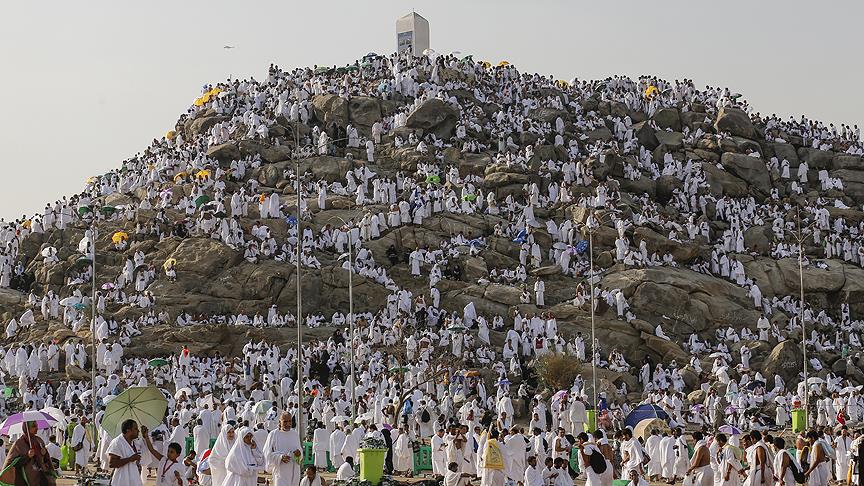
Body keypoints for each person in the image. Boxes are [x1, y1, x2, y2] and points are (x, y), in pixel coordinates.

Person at [0, 420, 56, 486]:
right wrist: (27, 456)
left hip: (41, 476)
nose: (37, 428)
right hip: (24, 479)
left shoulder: (39, 440)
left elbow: (44, 459)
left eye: (37, 426)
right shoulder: (19, 443)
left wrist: (44, 453)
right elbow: (12, 463)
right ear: (27, 428)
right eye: (34, 426)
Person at [262, 412, 302, 486]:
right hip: (280, 471)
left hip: (294, 470)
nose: (288, 424)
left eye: (290, 421)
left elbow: (300, 453)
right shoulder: (273, 434)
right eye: (285, 421)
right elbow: (266, 454)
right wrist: (280, 457)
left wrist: (298, 454)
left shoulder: (295, 434)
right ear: (280, 421)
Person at [107, 419, 144, 486]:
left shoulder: (134, 443)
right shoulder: (117, 442)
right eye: (135, 428)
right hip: (121, 481)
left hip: (134, 480)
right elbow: (112, 463)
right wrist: (130, 459)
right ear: (128, 430)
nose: (138, 431)